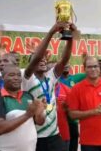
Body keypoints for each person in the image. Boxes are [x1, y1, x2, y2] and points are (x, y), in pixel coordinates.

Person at [23, 22, 75, 151]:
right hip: (36, 137)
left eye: (44, 59)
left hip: (54, 136)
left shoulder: (50, 77)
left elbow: (64, 60)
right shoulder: (27, 79)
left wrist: (70, 38)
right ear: (32, 63)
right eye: (38, 59)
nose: (43, 60)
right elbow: (37, 57)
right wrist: (51, 32)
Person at [67, 56, 101, 151]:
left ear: (99, 68)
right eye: (90, 67)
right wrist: (94, 112)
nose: (93, 69)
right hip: (88, 142)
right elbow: (72, 115)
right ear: (85, 69)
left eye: (95, 66)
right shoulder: (76, 89)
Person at [0, 64, 45, 151]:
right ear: (3, 78)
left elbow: (39, 122)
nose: (16, 78)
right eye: (11, 75)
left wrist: (39, 113)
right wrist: (27, 115)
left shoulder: (28, 96)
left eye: (19, 75)